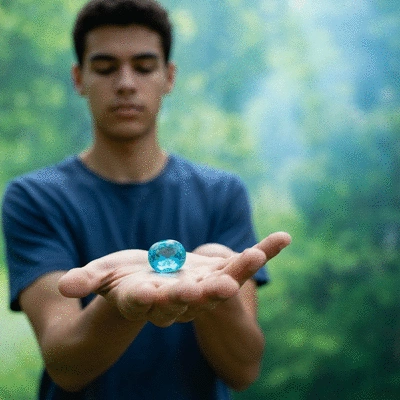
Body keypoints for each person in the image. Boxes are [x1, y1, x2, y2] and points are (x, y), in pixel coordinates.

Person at [1, 0, 291, 399]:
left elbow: (242, 370)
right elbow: (65, 363)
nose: (125, 83)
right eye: (104, 68)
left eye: (143, 66)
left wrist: (215, 294)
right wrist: (122, 306)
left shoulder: (222, 193)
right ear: (78, 77)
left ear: (168, 77)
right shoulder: (34, 197)